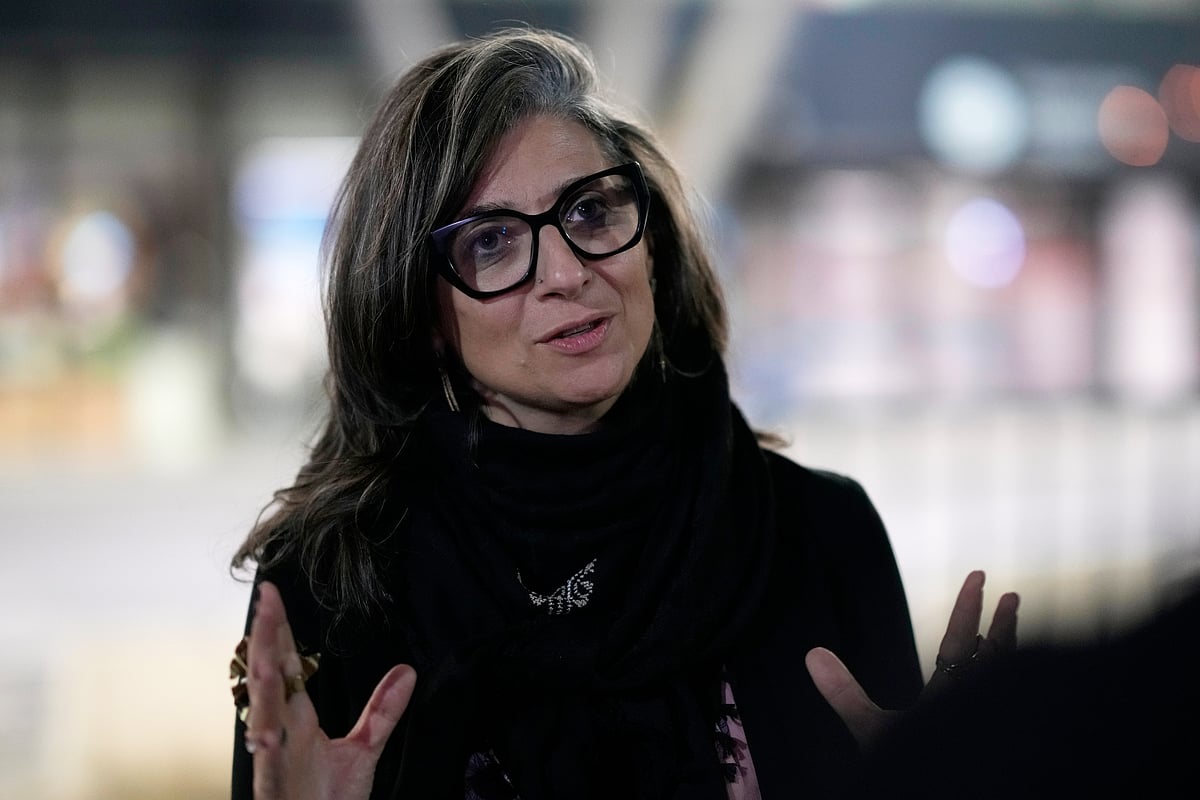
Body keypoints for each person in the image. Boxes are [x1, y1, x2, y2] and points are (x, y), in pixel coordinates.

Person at [229, 28, 1018, 800]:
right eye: (495, 242)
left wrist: (938, 775)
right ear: (423, 313)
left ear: (653, 247)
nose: (567, 272)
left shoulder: (819, 532)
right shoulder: (333, 581)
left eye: (592, 211)